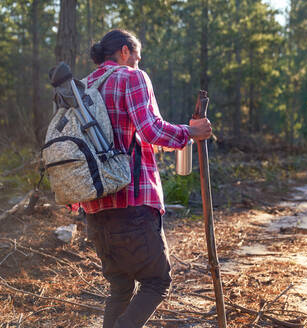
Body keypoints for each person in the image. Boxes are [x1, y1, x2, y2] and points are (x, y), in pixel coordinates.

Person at [83, 29, 212, 328]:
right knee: (157, 282)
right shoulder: (131, 77)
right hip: (133, 201)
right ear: (126, 52)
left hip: (93, 208)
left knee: (120, 288)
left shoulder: (83, 86)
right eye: (137, 58)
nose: (138, 64)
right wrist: (190, 132)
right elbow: (151, 129)